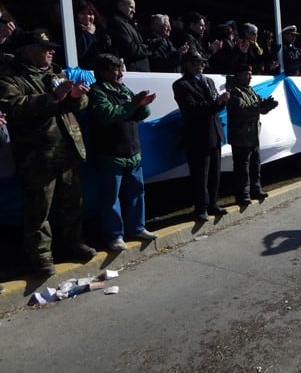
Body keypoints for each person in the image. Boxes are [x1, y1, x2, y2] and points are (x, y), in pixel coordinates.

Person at [0, 29, 97, 276]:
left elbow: (81, 104)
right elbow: (13, 106)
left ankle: (75, 243)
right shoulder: (11, 77)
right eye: (45, 48)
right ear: (27, 50)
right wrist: (54, 96)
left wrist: (76, 96)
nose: (51, 51)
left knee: (72, 202)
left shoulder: (57, 73)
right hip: (37, 155)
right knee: (38, 209)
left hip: (67, 149)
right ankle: (41, 256)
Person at [88, 54, 158, 251]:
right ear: (103, 72)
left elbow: (140, 114)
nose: (120, 73)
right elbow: (108, 115)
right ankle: (115, 236)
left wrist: (143, 105)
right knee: (111, 198)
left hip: (132, 151)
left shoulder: (123, 89)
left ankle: (137, 227)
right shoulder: (97, 91)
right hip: (111, 153)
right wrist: (134, 104)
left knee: (137, 191)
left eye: (120, 68)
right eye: (115, 69)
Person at [172, 51, 230, 221]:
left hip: (214, 131)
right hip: (197, 134)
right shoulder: (181, 85)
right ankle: (201, 207)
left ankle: (213, 203)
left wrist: (222, 102)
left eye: (203, 63)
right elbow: (192, 109)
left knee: (214, 172)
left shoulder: (208, 81)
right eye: (198, 63)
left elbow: (214, 107)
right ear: (188, 65)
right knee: (200, 174)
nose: (202, 66)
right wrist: (216, 102)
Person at [226, 64, 278, 205]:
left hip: (253, 134)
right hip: (240, 136)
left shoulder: (250, 90)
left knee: (255, 164)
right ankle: (243, 194)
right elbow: (241, 109)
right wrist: (260, 107)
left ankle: (255, 189)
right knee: (242, 167)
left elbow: (259, 107)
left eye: (250, 74)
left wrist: (267, 106)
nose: (250, 77)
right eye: (247, 74)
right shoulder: (233, 91)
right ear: (239, 75)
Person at [108, 0, 150, 72]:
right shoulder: (117, 23)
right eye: (131, 7)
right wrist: (148, 48)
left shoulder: (127, 23)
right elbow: (129, 49)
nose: (134, 11)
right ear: (120, 6)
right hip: (133, 72)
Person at [74, 0, 112, 69]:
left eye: (90, 14)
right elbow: (78, 52)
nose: (87, 16)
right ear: (76, 15)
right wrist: (88, 33)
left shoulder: (101, 31)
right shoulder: (73, 31)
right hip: (84, 71)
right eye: (83, 13)